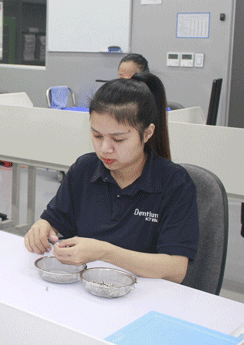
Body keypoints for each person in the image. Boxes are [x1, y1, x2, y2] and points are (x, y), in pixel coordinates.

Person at [24, 72, 199, 283]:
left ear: (147, 133)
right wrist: (42, 227)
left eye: (118, 139)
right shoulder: (84, 170)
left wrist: (104, 252)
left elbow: (176, 269)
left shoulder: (174, 183)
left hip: (144, 298)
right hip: (87, 292)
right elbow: (55, 221)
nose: (105, 149)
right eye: (97, 136)